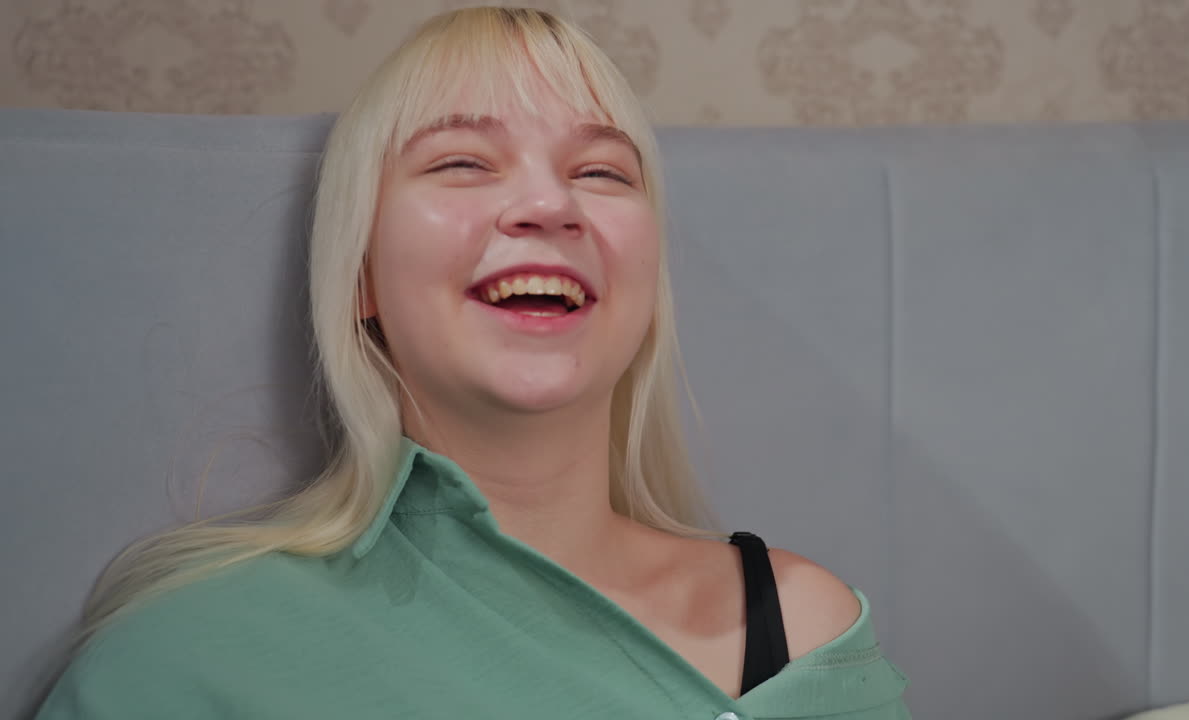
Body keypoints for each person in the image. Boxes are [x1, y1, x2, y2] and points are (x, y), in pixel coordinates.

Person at [34, 7, 909, 718]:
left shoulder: (804, 632)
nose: (549, 203)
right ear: (360, 274)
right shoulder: (182, 656)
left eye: (602, 172)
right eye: (461, 162)